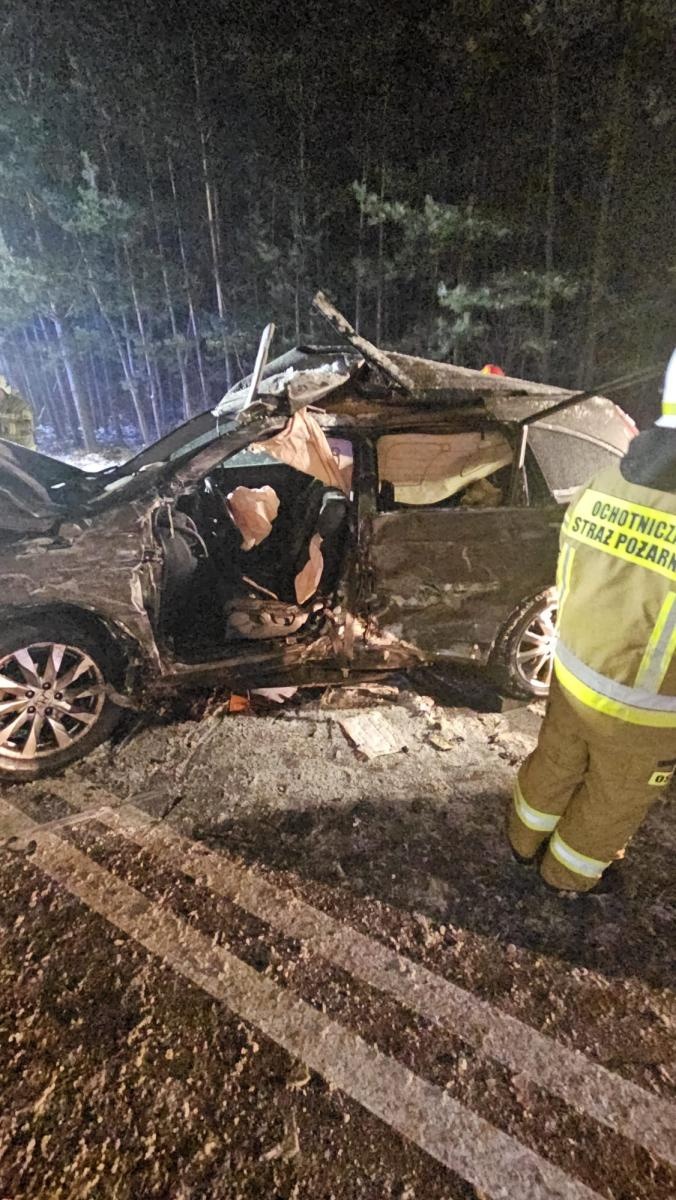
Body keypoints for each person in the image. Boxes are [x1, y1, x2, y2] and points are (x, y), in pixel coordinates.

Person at [508, 350, 676, 892]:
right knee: (613, 799)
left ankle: (521, 841)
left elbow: (570, 567)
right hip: (643, 710)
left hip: (573, 674)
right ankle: (566, 877)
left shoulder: (604, 484)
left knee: (554, 763)